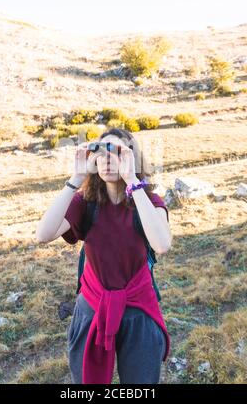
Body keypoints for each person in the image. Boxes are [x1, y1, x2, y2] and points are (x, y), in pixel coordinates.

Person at [36, 127, 173, 384]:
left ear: (133, 158)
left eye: (118, 152)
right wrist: (75, 179)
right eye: (101, 152)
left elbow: (162, 244)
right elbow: (43, 234)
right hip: (92, 305)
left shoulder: (149, 201)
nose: (108, 159)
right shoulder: (85, 203)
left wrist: (132, 180)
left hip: (138, 308)